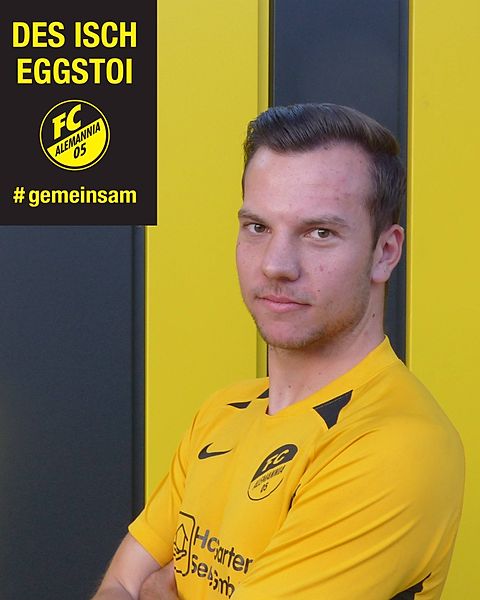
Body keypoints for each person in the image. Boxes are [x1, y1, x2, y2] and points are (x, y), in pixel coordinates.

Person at [91, 103, 465, 600]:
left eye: (320, 233)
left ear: (385, 252)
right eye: (258, 227)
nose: (276, 265)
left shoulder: (397, 445)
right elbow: (119, 583)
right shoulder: (223, 412)